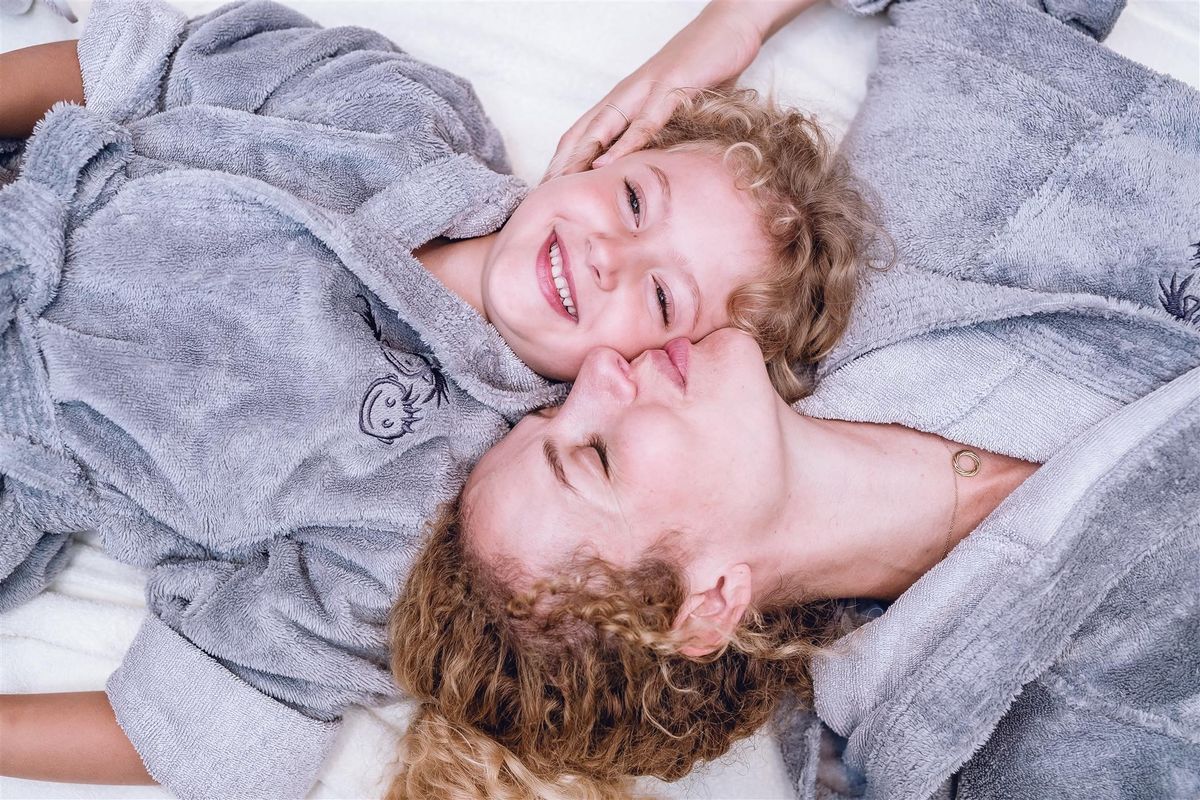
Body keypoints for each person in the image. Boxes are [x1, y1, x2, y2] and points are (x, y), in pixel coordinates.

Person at [0, 1, 881, 797]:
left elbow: (201, 730)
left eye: (660, 298)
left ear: (656, 374)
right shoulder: (401, 113)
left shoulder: (426, 513)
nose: (610, 253)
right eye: (634, 200)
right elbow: (141, 66)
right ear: (605, 152)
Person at [388, 0, 1200, 797]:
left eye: (552, 408)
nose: (601, 373)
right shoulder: (998, 752)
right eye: (595, 457)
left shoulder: (902, 225)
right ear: (708, 606)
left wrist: (736, 20)